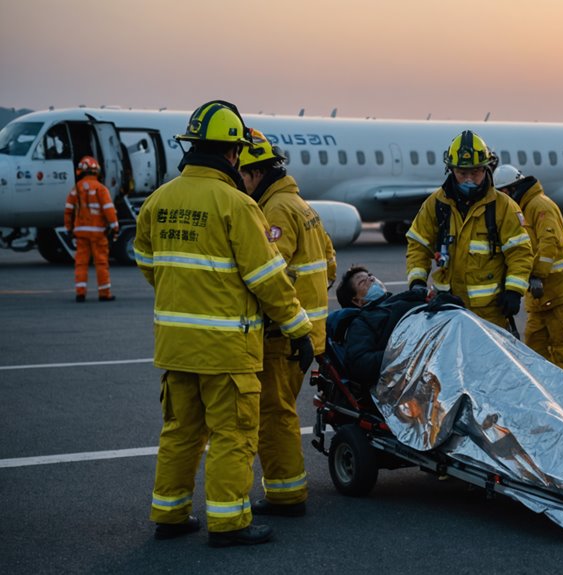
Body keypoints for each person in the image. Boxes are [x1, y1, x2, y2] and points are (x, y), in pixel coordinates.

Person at [134, 100, 315, 547]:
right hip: (227, 349)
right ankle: (229, 522)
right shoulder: (236, 204)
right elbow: (267, 278)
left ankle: (170, 514)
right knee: (234, 434)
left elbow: (147, 262)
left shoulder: (159, 200)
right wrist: (298, 329)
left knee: (180, 431)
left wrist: (184, 294)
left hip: (175, 346)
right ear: (232, 153)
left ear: (192, 148)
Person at [238, 128, 338, 518]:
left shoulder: (275, 210)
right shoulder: (300, 204)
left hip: (284, 332)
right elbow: (329, 264)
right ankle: (285, 488)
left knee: (273, 412)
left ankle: (285, 494)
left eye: (242, 176)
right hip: (307, 331)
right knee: (279, 409)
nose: (240, 184)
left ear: (256, 173)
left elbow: (270, 272)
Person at [405, 131, 533, 329]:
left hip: (490, 315)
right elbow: (418, 245)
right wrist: (417, 282)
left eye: (475, 172)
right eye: (462, 173)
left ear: (486, 169)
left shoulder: (503, 207)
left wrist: (514, 290)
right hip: (447, 311)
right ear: (451, 170)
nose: (469, 179)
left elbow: (520, 253)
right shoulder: (436, 204)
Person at [492, 164, 563, 380]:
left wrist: (537, 275)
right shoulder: (521, 209)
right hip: (539, 299)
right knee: (535, 355)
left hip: (559, 296)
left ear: (511, 189)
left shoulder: (539, 205)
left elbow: (548, 242)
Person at [333, 265, 444, 384]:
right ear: (357, 301)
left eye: (370, 276)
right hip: (412, 377)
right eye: (362, 281)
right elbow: (361, 363)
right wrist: (401, 352)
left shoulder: (406, 299)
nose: (371, 279)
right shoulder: (362, 323)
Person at [64, 155, 119, 302]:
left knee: (81, 263)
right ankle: (104, 293)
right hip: (98, 233)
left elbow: (68, 211)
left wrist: (69, 229)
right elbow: (109, 210)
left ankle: (80, 293)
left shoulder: (75, 189)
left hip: (80, 232)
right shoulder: (100, 189)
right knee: (101, 263)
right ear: (96, 171)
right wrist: (114, 227)